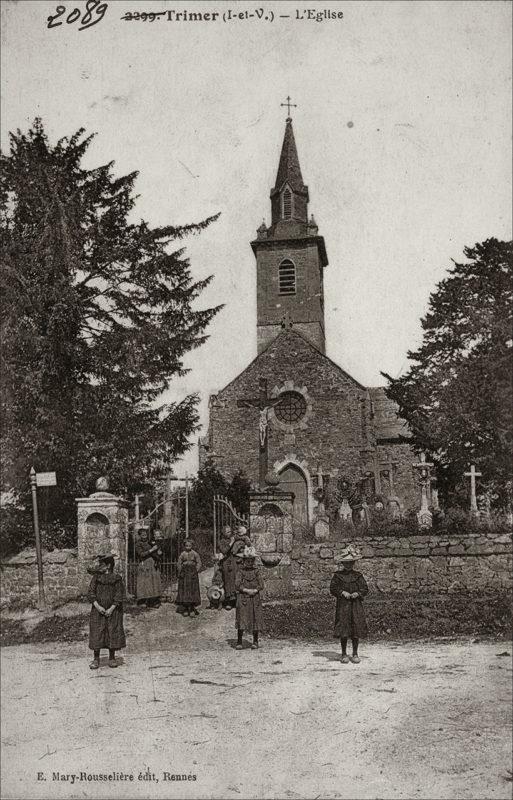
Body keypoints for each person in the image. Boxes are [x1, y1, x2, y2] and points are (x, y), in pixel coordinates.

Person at [329, 547, 369, 664]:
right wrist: (342, 592)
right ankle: (344, 654)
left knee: (355, 628)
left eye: (350, 563)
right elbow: (333, 588)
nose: (348, 565)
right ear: (342, 563)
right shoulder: (338, 576)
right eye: (346, 563)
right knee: (344, 628)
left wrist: (358, 593)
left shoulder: (358, 575)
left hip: (355, 605)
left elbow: (365, 588)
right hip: (343, 605)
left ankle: (355, 653)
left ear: (353, 563)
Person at [87, 554, 126, 669]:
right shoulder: (96, 578)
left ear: (108, 566)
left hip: (113, 611)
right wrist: (97, 606)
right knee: (97, 632)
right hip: (98, 610)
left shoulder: (117, 578)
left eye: (102, 564)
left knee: (112, 631)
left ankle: (112, 657)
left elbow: (119, 594)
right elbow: (90, 593)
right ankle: (96, 659)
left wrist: (112, 608)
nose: (99, 566)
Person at [235, 546, 264, 650]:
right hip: (243, 598)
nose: (249, 562)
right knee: (242, 618)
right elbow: (237, 585)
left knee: (255, 618)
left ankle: (255, 641)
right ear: (243, 561)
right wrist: (246, 590)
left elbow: (261, 584)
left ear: (254, 561)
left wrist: (255, 590)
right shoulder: (240, 571)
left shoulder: (257, 571)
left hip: (255, 598)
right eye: (247, 560)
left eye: (251, 560)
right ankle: (239, 641)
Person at [135, 526, 162, 608]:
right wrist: (152, 550)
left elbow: (157, 550)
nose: (144, 536)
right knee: (145, 583)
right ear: (139, 536)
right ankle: (143, 601)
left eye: (145, 534)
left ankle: (153, 601)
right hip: (144, 564)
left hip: (153, 563)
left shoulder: (150, 542)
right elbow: (141, 554)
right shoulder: (138, 544)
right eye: (142, 535)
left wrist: (159, 552)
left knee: (153, 582)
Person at [176, 539, 202, 616]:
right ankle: (185, 608)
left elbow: (199, 562)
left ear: (192, 546)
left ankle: (192, 608)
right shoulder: (182, 554)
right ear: (184, 546)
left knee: (192, 590)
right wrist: (180, 571)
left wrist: (196, 570)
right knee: (185, 590)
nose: (188, 547)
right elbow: (179, 563)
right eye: (186, 546)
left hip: (192, 573)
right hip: (184, 574)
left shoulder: (195, 553)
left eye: (189, 546)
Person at [218, 525, 237, 609]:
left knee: (235, 579)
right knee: (227, 580)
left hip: (234, 561)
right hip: (226, 561)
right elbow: (224, 551)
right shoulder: (221, 541)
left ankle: (236, 601)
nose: (230, 533)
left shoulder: (234, 539)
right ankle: (228, 601)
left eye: (230, 531)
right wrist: (231, 543)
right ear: (224, 533)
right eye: (227, 532)